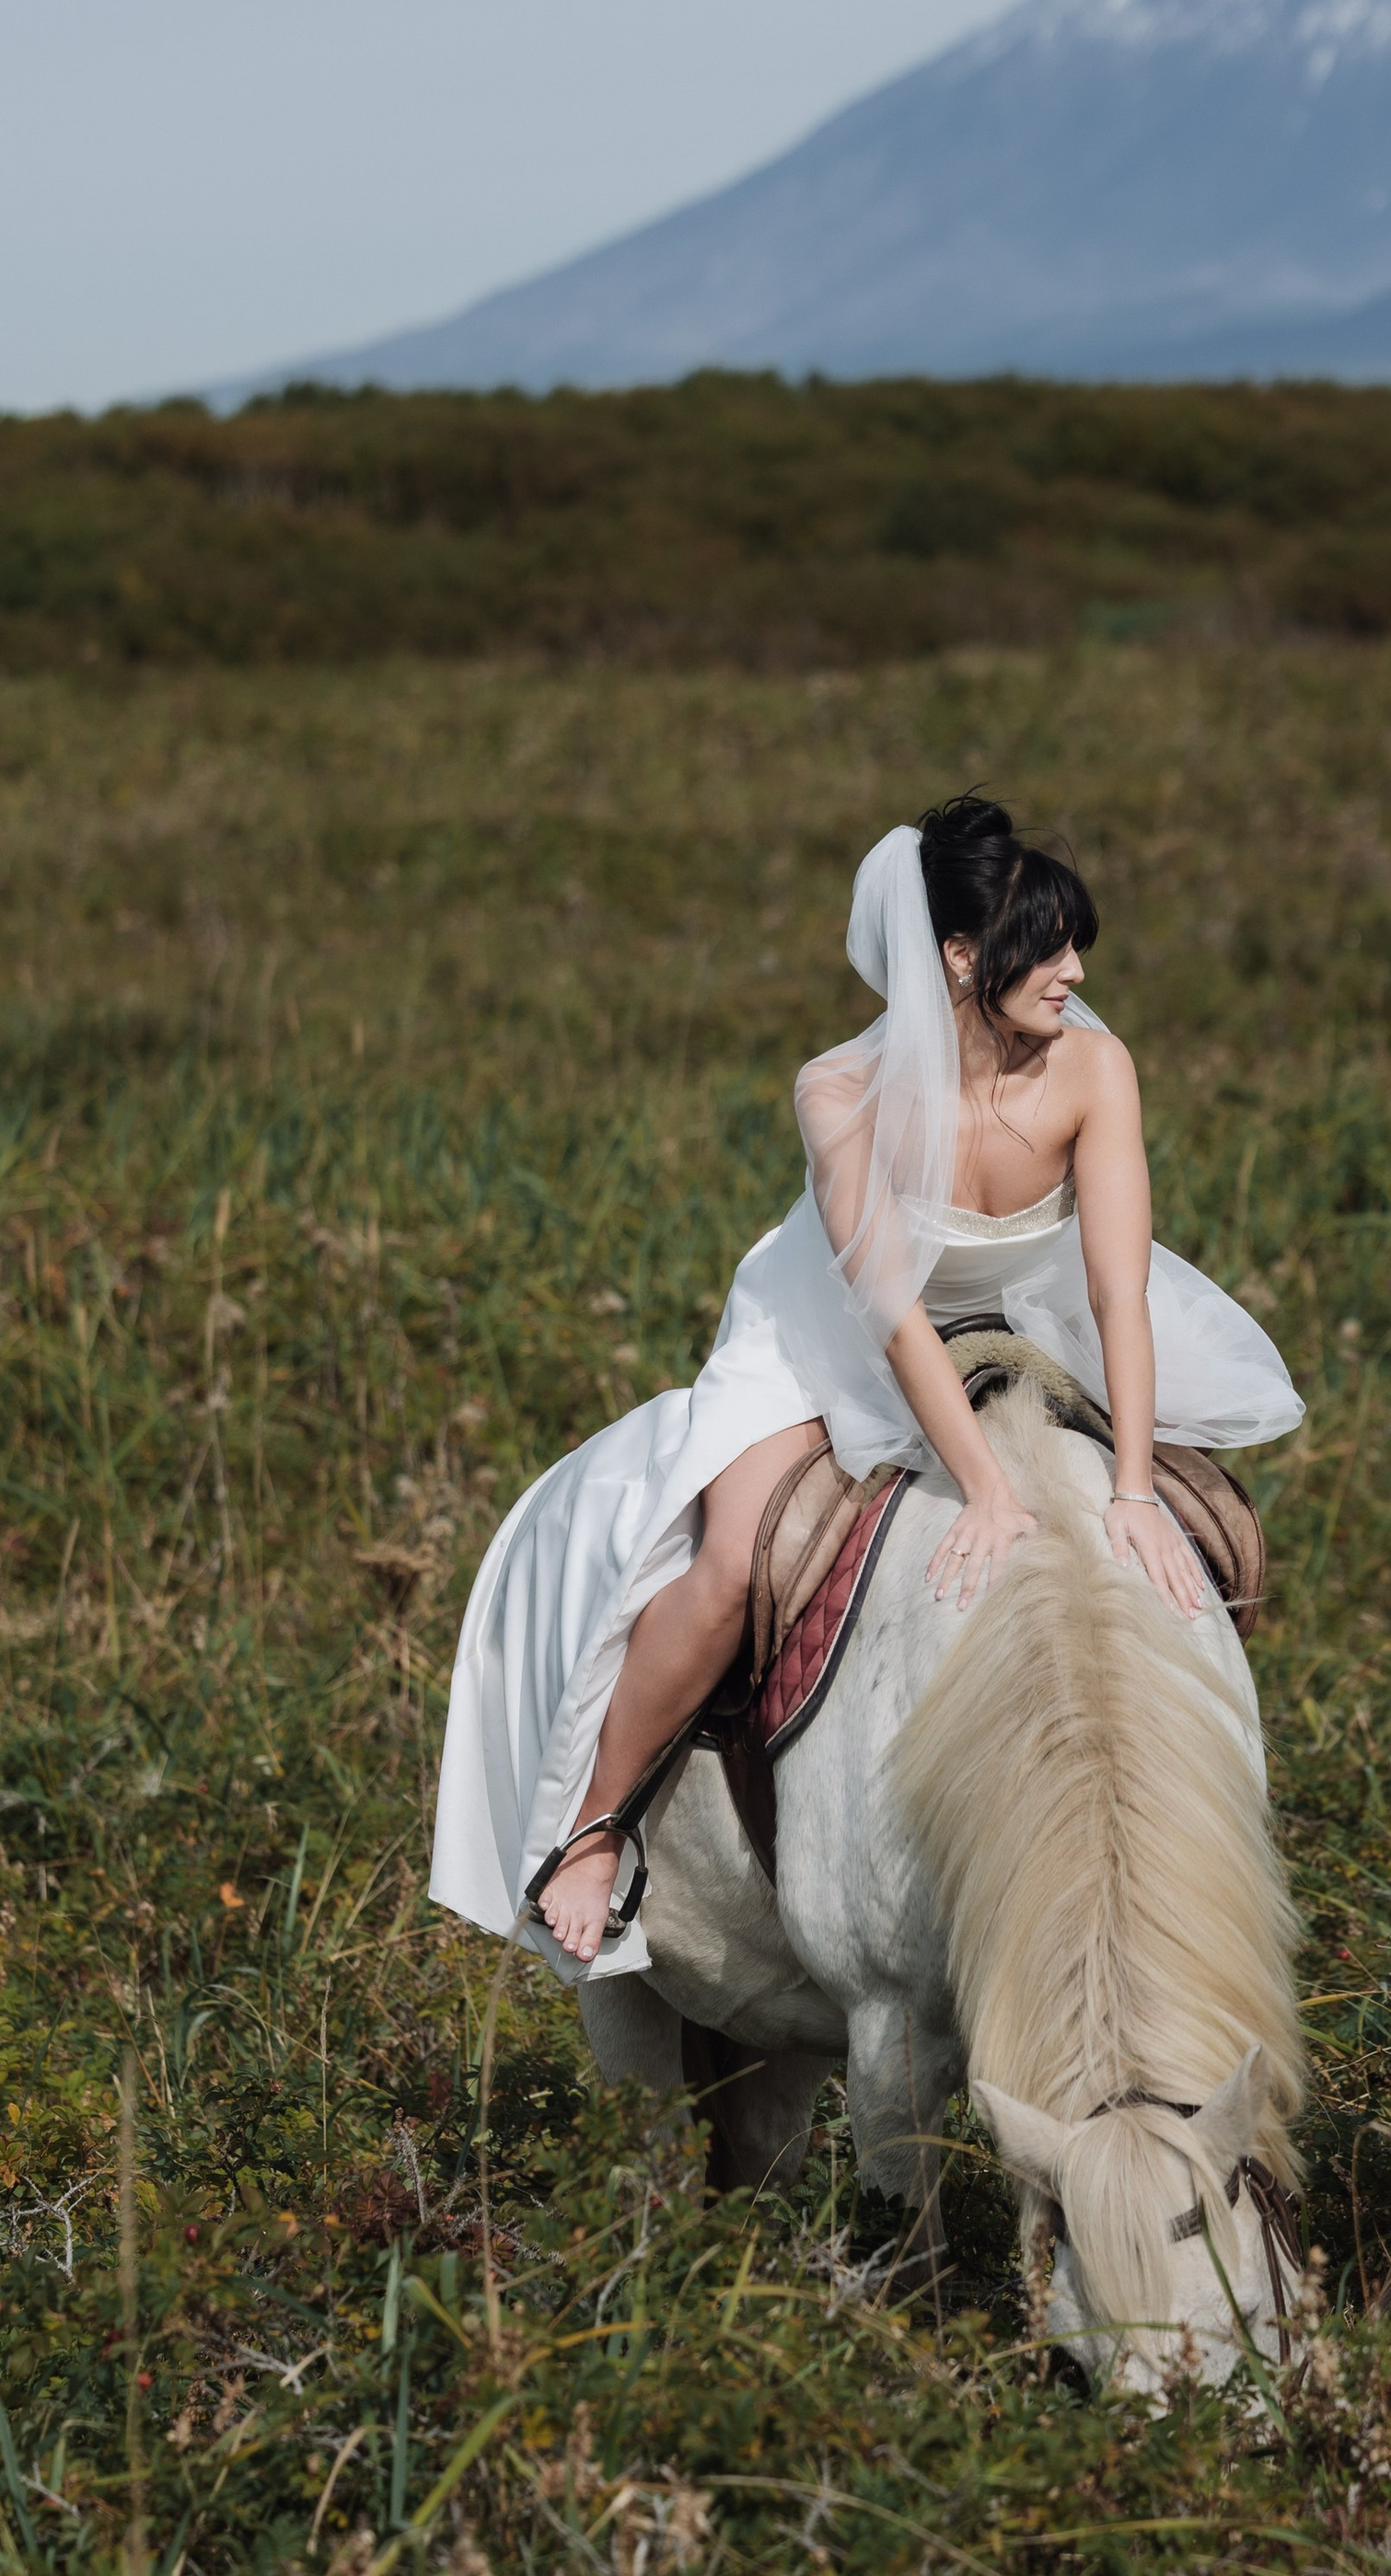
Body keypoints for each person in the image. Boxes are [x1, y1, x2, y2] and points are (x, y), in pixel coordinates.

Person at [430, 799, 1304, 1974]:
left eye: (1071, 944)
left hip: (1023, 1318)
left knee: (1213, 1528)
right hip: (828, 1334)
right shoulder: (837, 1091)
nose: (1074, 971)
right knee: (733, 1559)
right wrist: (986, 1488)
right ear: (956, 957)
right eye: (1041, 949)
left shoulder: (1096, 1067)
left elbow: (1117, 1290)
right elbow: (888, 1314)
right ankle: (595, 1829)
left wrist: (1138, 1486)